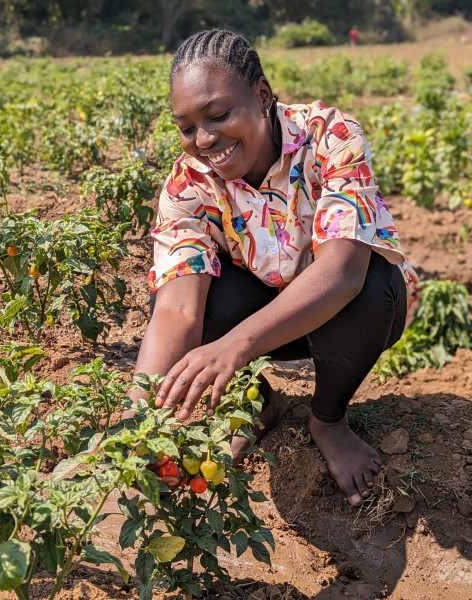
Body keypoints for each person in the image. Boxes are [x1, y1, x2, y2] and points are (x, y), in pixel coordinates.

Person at [131, 29, 420, 507]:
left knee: (372, 286)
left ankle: (328, 419)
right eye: (186, 127)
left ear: (262, 96)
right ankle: (258, 404)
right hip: (264, 309)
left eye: (219, 115)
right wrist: (138, 421)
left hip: (347, 313)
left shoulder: (330, 137)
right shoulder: (187, 183)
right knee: (175, 290)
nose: (204, 139)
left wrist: (235, 347)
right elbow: (179, 312)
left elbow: (343, 274)